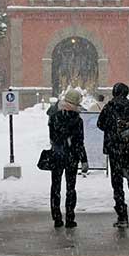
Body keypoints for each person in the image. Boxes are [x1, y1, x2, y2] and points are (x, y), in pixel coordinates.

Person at [98, 82, 129, 228]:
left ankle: (122, 217)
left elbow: (100, 125)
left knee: (117, 184)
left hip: (115, 152)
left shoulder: (109, 108)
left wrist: (113, 131)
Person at [48, 89, 87, 228]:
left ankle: (57, 217)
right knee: (71, 187)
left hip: (57, 155)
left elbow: (52, 137)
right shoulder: (77, 120)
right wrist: (84, 160)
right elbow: (79, 142)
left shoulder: (54, 116)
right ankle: (70, 217)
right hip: (71, 156)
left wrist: (59, 143)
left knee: (55, 186)